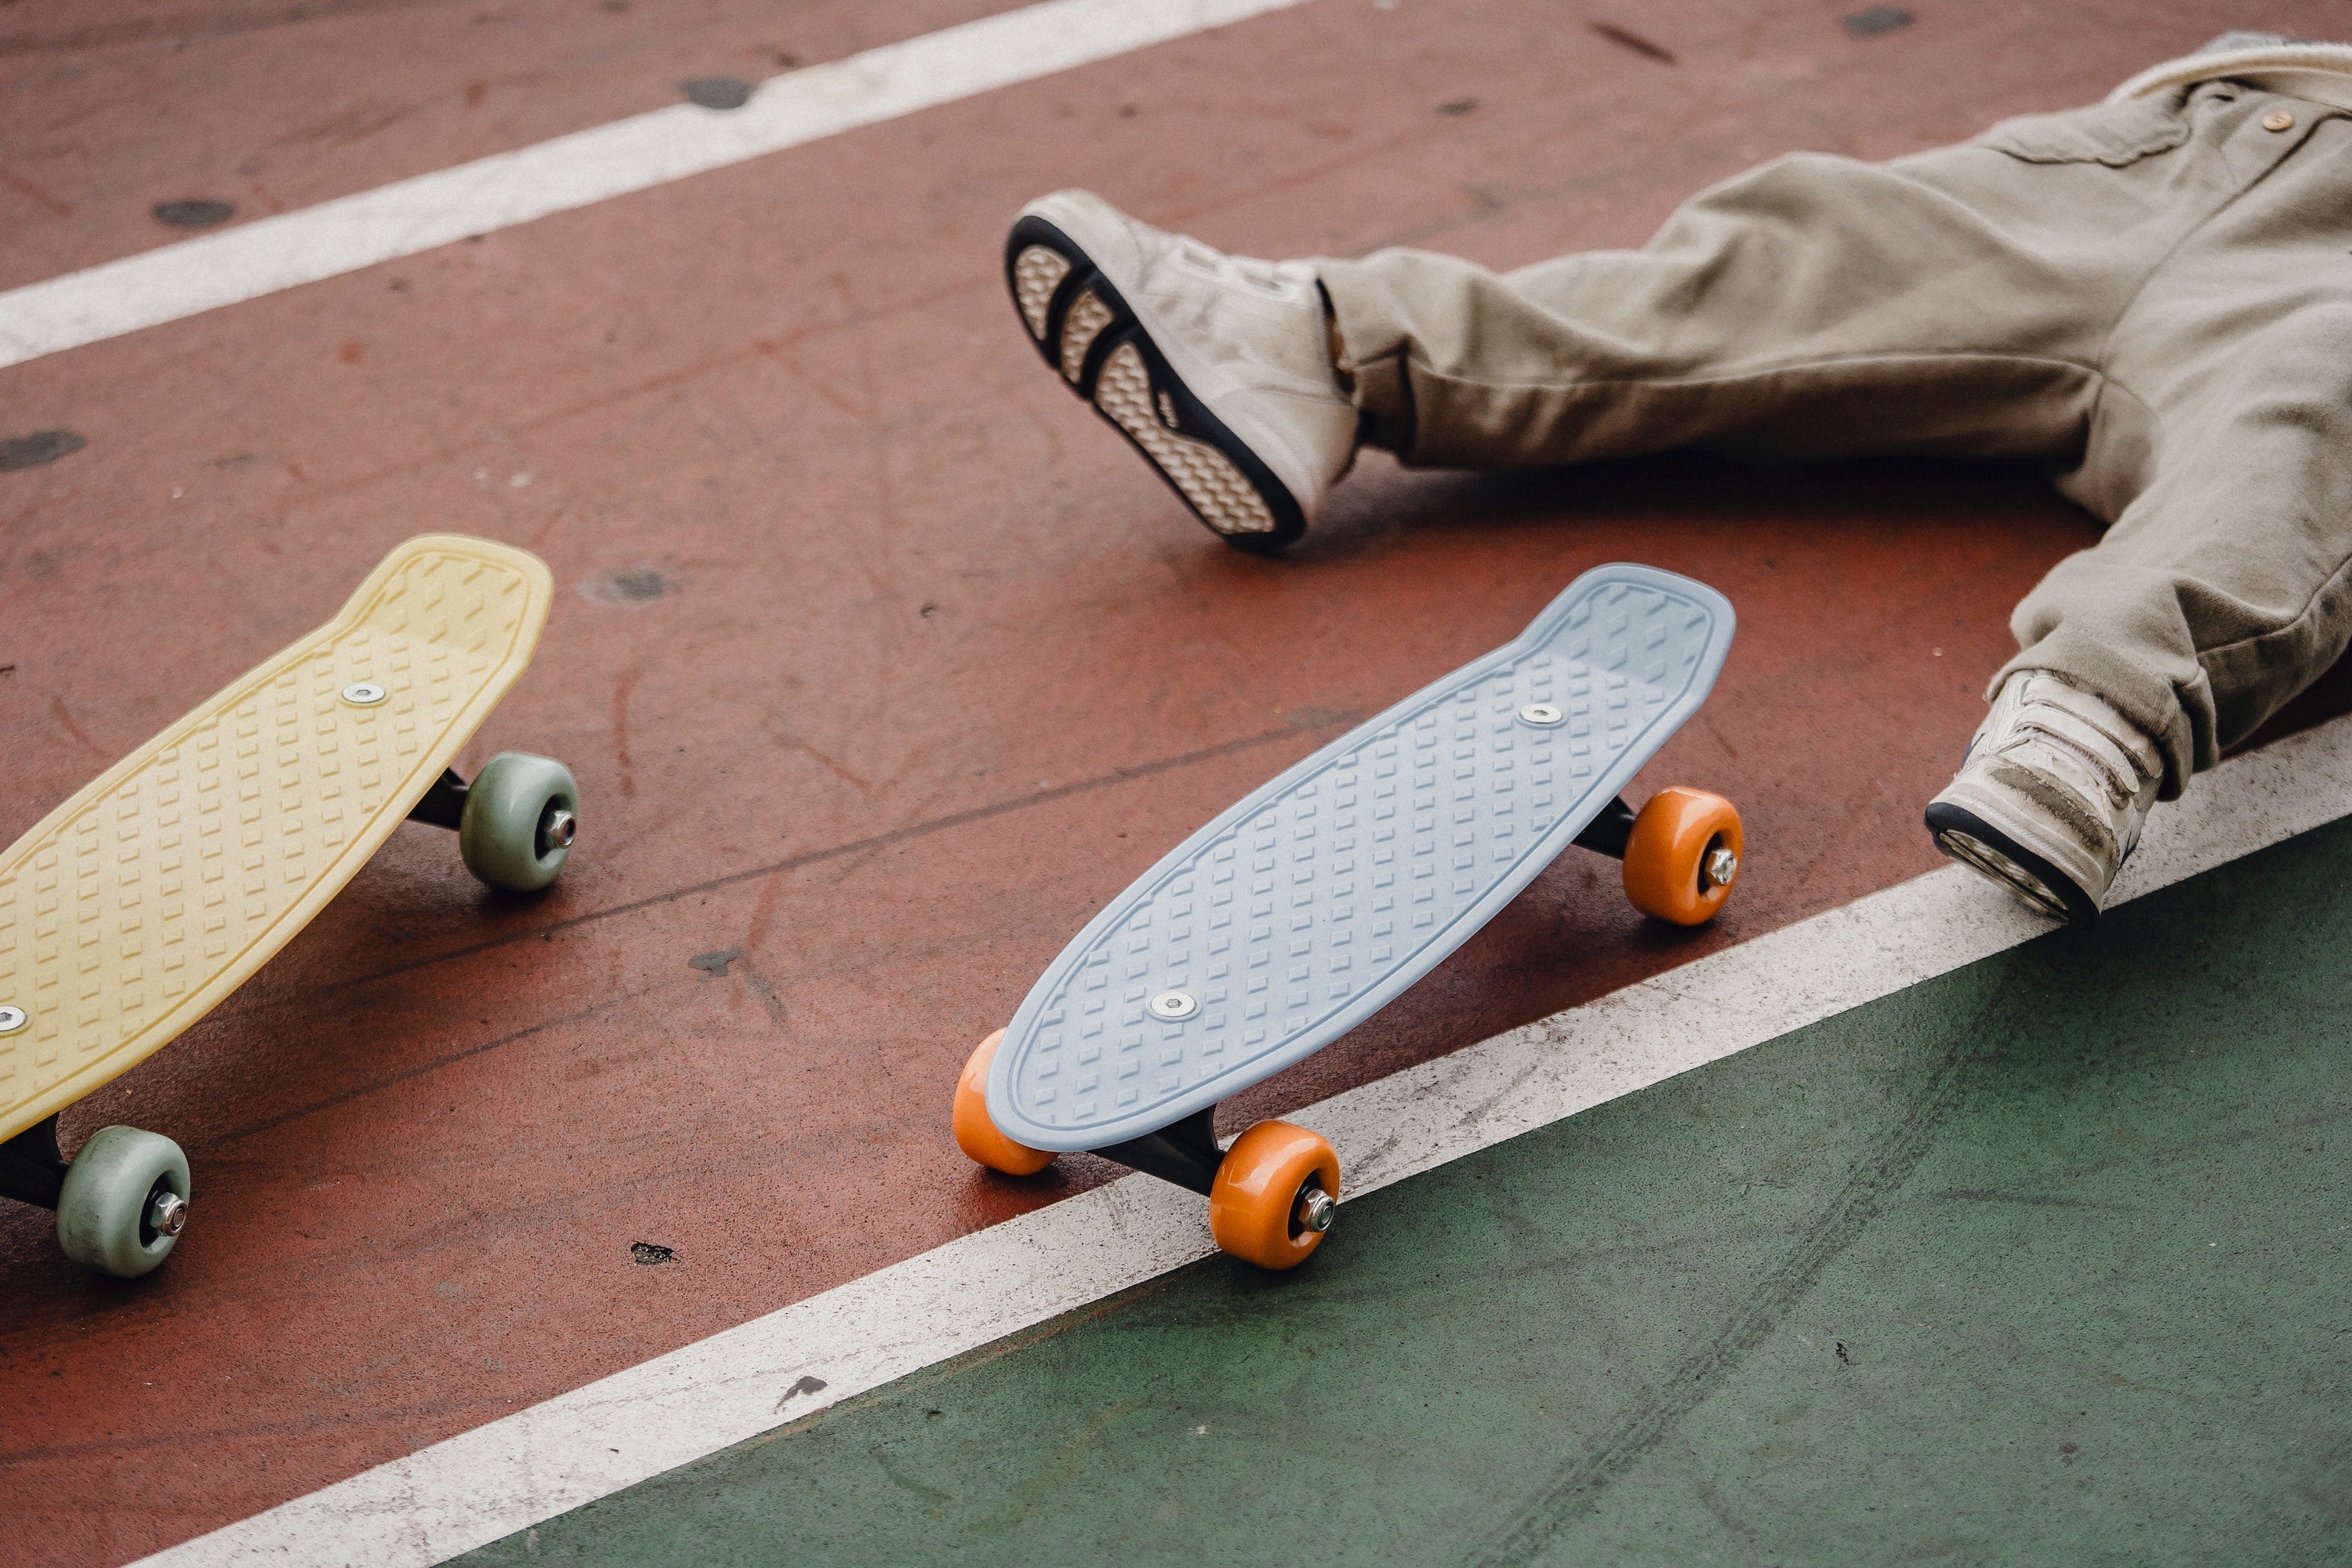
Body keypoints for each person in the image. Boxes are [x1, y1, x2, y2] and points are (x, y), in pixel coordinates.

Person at [1000, 32, 2352, 926]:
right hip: (2238, 118)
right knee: (1799, 246)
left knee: (2301, 411)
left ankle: (2101, 709)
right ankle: (1319, 354)